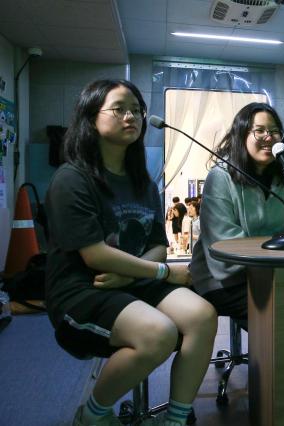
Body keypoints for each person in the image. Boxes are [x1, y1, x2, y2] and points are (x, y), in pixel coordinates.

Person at [45, 79, 217, 426]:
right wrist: (159, 273)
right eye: (119, 109)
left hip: (130, 282)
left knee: (202, 315)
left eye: (137, 110)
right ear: (91, 117)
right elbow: (95, 256)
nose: (131, 117)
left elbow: (157, 245)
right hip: (85, 288)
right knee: (159, 332)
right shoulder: (72, 179)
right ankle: (92, 415)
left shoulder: (144, 183)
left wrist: (137, 272)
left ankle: (175, 418)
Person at [190, 102, 284, 330]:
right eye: (259, 130)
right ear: (241, 134)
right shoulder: (220, 177)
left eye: (274, 131)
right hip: (222, 279)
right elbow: (225, 245)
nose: (268, 137)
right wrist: (278, 246)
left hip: (273, 273)